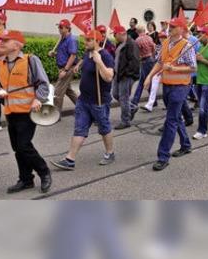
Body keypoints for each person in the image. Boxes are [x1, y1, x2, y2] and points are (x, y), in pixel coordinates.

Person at [0, 30, 52, 194]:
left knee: (24, 146)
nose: (1, 43)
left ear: (17, 44)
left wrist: (38, 99)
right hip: (10, 111)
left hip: (28, 111)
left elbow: (43, 83)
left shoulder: (30, 60)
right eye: (1, 40)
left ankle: (44, 172)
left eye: (5, 40)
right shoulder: (0, 63)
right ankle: (26, 180)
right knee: (17, 148)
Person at [51, 30, 116, 171]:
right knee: (79, 128)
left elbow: (109, 77)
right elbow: (84, 59)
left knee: (104, 128)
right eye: (85, 39)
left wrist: (99, 63)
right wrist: (78, 66)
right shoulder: (88, 53)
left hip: (99, 101)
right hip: (83, 100)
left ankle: (110, 153)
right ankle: (70, 159)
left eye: (88, 40)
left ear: (97, 41)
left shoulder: (105, 56)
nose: (85, 42)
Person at [143, 17, 196, 171]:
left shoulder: (187, 46)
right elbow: (159, 63)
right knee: (176, 117)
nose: (170, 28)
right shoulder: (165, 43)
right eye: (169, 26)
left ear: (181, 29)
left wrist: (175, 69)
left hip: (180, 87)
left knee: (171, 120)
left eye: (173, 26)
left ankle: (163, 156)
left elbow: (193, 68)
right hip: (167, 85)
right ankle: (186, 145)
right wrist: (149, 77)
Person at [111, 26, 140, 129]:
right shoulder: (120, 43)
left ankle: (125, 120)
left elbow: (135, 62)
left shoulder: (131, 44)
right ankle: (132, 107)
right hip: (118, 74)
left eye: (115, 34)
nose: (114, 37)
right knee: (115, 94)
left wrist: (126, 74)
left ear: (120, 34)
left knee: (123, 98)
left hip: (125, 76)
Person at [48, 19, 79, 116]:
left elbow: (73, 55)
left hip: (67, 68)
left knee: (57, 92)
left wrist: (65, 70)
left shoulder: (71, 39)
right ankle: (82, 108)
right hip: (62, 68)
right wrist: (54, 53)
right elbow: (64, 53)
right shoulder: (62, 39)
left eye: (61, 27)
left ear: (67, 28)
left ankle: (56, 115)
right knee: (68, 91)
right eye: (59, 27)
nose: (59, 29)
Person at [130, 25, 157, 115]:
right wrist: (152, 56)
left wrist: (138, 60)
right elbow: (154, 47)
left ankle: (135, 101)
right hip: (150, 59)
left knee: (144, 81)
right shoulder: (149, 38)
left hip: (144, 61)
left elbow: (136, 53)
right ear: (144, 30)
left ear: (137, 32)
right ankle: (152, 100)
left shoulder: (137, 40)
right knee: (146, 80)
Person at [141, 32, 168, 112]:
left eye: (163, 37)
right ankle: (149, 104)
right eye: (160, 37)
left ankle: (169, 104)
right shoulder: (158, 46)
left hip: (168, 69)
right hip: (159, 67)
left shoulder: (169, 46)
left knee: (167, 89)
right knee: (154, 84)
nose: (161, 39)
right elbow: (154, 56)